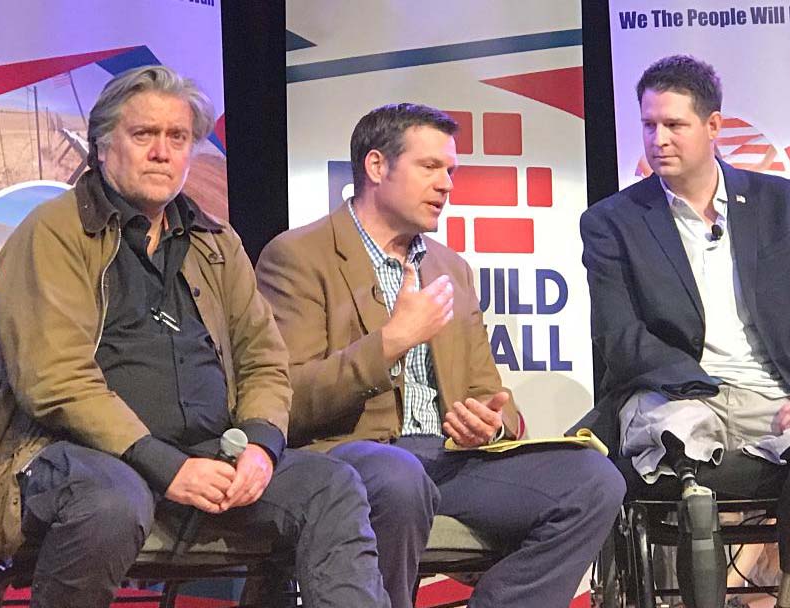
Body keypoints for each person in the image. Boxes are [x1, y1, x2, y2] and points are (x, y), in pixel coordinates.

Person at [0, 65, 389, 608]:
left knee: (332, 487)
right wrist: (168, 466)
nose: (162, 152)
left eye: (178, 137)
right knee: (111, 500)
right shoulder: (53, 230)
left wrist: (260, 444)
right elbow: (55, 379)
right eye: (144, 135)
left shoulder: (216, 241)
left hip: (210, 455)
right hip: (71, 453)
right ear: (101, 145)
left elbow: (264, 360)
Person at [255, 102, 624, 608]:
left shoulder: (451, 268)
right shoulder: (297, 255)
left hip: (446, 459)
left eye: (451, 170)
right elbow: (284, 399)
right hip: (347, 457)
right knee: (398, 478)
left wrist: (490, 423)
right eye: (430, 167)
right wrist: (392, 342)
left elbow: (490, 393)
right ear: (377, 167)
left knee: (593, 481)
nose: (448, 184)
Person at [576, 55, 790, 607]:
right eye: (648, 125)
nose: (658, 139)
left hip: (775, 394)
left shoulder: (780, 205)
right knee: (679, 440)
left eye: (674, 125)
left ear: (713, 127)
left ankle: (782, 596)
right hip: (675, 392)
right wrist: (702, 387)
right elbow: (620, 338)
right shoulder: (612, 222)